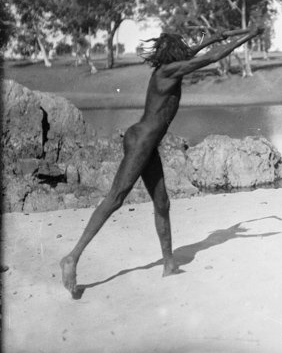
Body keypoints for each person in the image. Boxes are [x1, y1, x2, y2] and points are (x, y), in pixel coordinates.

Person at [60, 25, 264, 298]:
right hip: (141, 141)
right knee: (116, 198)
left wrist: (213, 38)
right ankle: (72, 257)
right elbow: (211, 59)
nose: (186, 51)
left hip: (146, 141)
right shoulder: (169, 72)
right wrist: (249, 36)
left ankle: (169, 264)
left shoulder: (169, 66)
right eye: (181, 49)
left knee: (162, 202)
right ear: (174, 54)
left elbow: (193, 52)